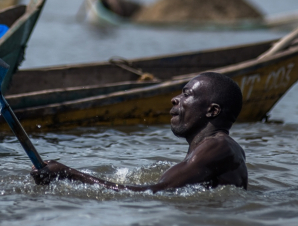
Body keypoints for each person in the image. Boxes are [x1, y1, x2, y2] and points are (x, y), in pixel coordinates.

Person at [31, 72, 248, 192]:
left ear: (212, 111)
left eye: (186, 94)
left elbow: (151, 193)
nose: (175, 99)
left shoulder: (218, 147)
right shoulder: (212, 148)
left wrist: (71, 174)